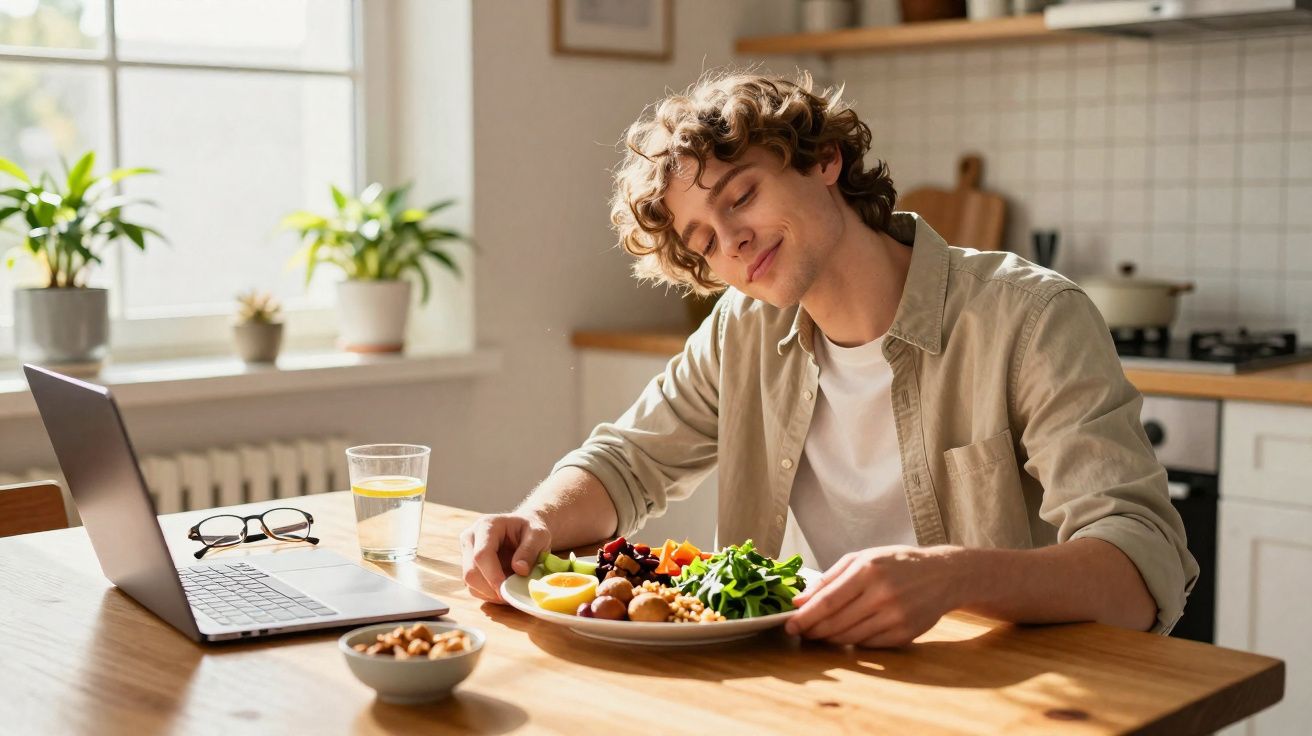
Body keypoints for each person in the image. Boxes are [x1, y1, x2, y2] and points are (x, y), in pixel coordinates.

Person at [461, 71, 1197, 648]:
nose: (734, 245)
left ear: (824, 160)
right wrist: (534, 520)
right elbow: (626, 463)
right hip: (819, 683)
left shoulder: (1029, 318)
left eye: (741, 195)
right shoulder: (741, 330)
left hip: (1010, 697)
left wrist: (949, 579)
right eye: (705, 240)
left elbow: (1139, 570)